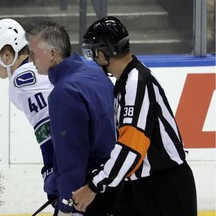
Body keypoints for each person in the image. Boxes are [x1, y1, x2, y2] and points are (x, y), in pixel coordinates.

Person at [72, 16, 197, 216]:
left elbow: (131, 147)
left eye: (93, 53)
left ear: (103, 53)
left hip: (165, 189)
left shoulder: (137, 83)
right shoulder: (126, 83)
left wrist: (95, 186)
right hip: (140, 185)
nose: (94, 60)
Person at [27, 20, 117, 216]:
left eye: (34, 54)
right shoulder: (93, 71)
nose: (30, 60)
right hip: (110, 185)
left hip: (86, 197)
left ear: (52, 54)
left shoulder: (65, 93)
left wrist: (67, 206)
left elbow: (71, 157)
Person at [0, 18, 56, 212]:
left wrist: (53, 171)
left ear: (6, 54)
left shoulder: (21, 82)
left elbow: (49, 130)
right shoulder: (41, 66)